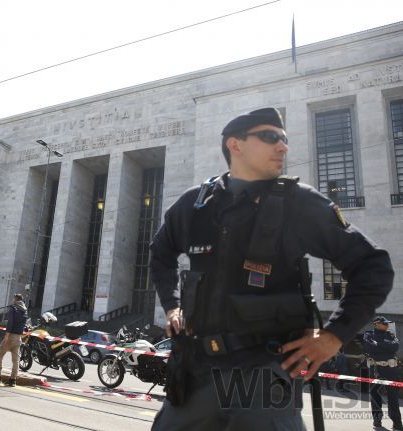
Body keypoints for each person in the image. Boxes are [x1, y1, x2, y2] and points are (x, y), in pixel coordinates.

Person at [150, 108, 394, 430]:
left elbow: (373, 266)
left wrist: (335, 335)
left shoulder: (298, 203)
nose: (283, 147)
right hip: (194, 369)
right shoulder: (195, 205)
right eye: (270, 137)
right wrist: (172, 306)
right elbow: (160, 253)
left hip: (262, 372)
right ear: (235, 145)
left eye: (284, 139)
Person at [362, 316, 402, 430]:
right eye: (385, 323)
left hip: (390, 369)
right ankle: (377, 420)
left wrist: (378, 344)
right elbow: (369, 347)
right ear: (377, 324)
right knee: (375, 395)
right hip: (375, 369)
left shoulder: (390, 334)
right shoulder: (368, 334)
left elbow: (395, 347)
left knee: (393, 396)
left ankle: (397, 422)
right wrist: (385, 345)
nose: (387, 325)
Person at [0, 293, 28, 386]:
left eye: (13, 299)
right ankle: (13, 380)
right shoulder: (25, 311)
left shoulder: (13, 308)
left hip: (10, 336)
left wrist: (6, 336)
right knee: (16, 360)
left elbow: (10, 322)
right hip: (18, 338)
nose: (12, 300)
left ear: (16, 299)